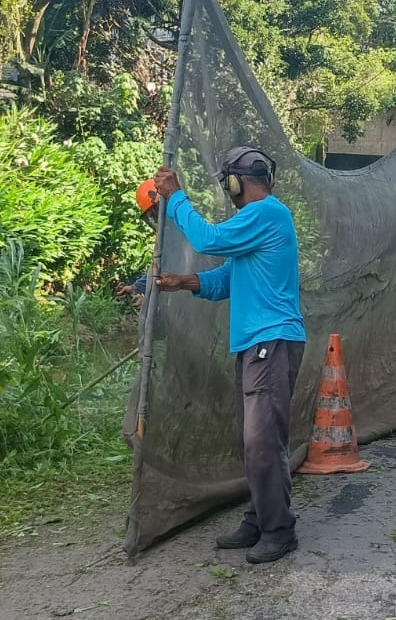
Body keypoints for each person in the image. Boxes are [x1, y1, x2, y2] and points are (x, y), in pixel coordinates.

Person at [153, 146, 306, 565]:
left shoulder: (268, 213)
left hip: (270, 343)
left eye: (228, 184)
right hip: (257, 346)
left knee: (262, 443)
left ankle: (278, 529)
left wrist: (175, 198)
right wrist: (184, 282)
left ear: (235, 183)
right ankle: (259, 518)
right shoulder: (257, 223)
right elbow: (227, 278)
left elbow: (208, 239)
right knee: (254, 442)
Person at [117, 178, 160, 301]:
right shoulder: (163, 236)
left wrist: (149, 302)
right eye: (150, 215)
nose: (155, 218)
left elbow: (174, 275)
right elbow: (157, 267)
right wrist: (135, 287)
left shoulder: (180, 230)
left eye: (154, 212)